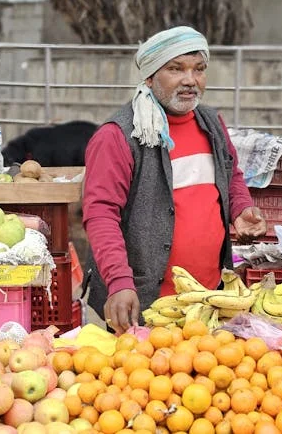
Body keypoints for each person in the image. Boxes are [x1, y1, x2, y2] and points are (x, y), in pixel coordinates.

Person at [81, 26, 268, 334]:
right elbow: (100, 213)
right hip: (146, 306)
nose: (190, 80)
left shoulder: (211, 123)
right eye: (175, 69)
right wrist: (118, 281)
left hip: (209, 300)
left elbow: (231, 174)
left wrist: (241, 209)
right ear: (150, 77)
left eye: (199, 69)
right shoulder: (117, 135)